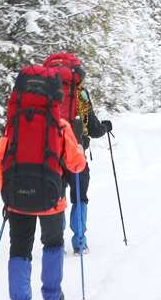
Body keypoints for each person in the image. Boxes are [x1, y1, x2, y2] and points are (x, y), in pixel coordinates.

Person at [0, 72, 87, 300]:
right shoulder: (60, 126)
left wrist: (7, 194)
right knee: (53, 243)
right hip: (52, 200)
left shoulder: (14, 125)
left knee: (19, 250)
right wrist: (77, 144)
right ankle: (51, 295)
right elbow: (76, 164)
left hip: (17, 202)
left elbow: (0, 162)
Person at [43, 53, 112, 255]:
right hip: (76, 153)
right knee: (80, 197)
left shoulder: (44, 91)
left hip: (51, 152)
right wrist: (105, 127)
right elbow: (93, 127)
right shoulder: (80, 93)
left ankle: (56, 241)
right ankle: (79, 242)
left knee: (57, 198)